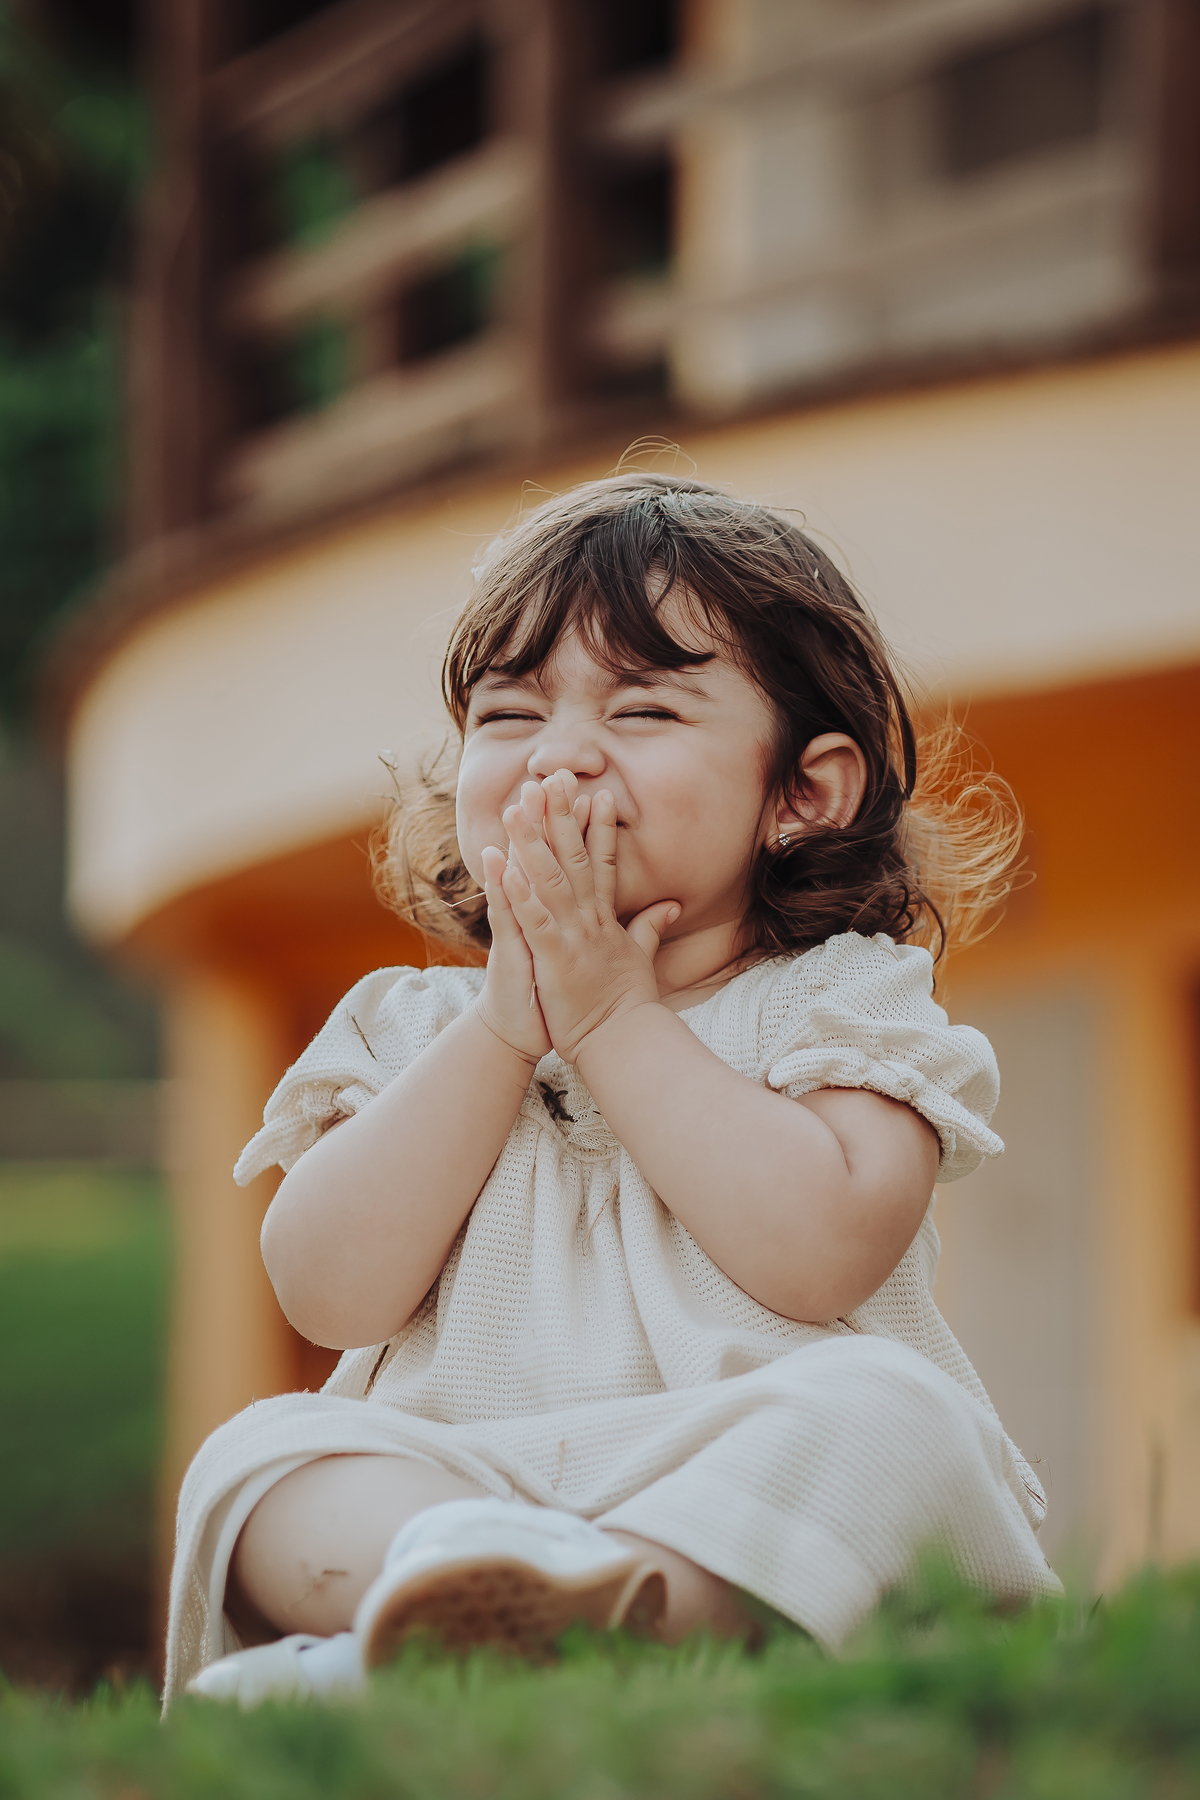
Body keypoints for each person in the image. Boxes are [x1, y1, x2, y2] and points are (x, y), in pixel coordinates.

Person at [169, 473, 1059, 1709]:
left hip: (747, 1478)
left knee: (895, 1417)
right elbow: (327, 1291)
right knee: (261, 1457)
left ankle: (541, 1633)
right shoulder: (411, 1030)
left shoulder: (840, 1003)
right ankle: (474, 1601)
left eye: (643, 710)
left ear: (803, 794)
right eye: (511, 713)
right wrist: (504, 1033)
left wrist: (612, 1022)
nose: (563, 755)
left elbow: (825, 1253)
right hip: (469, 1482)